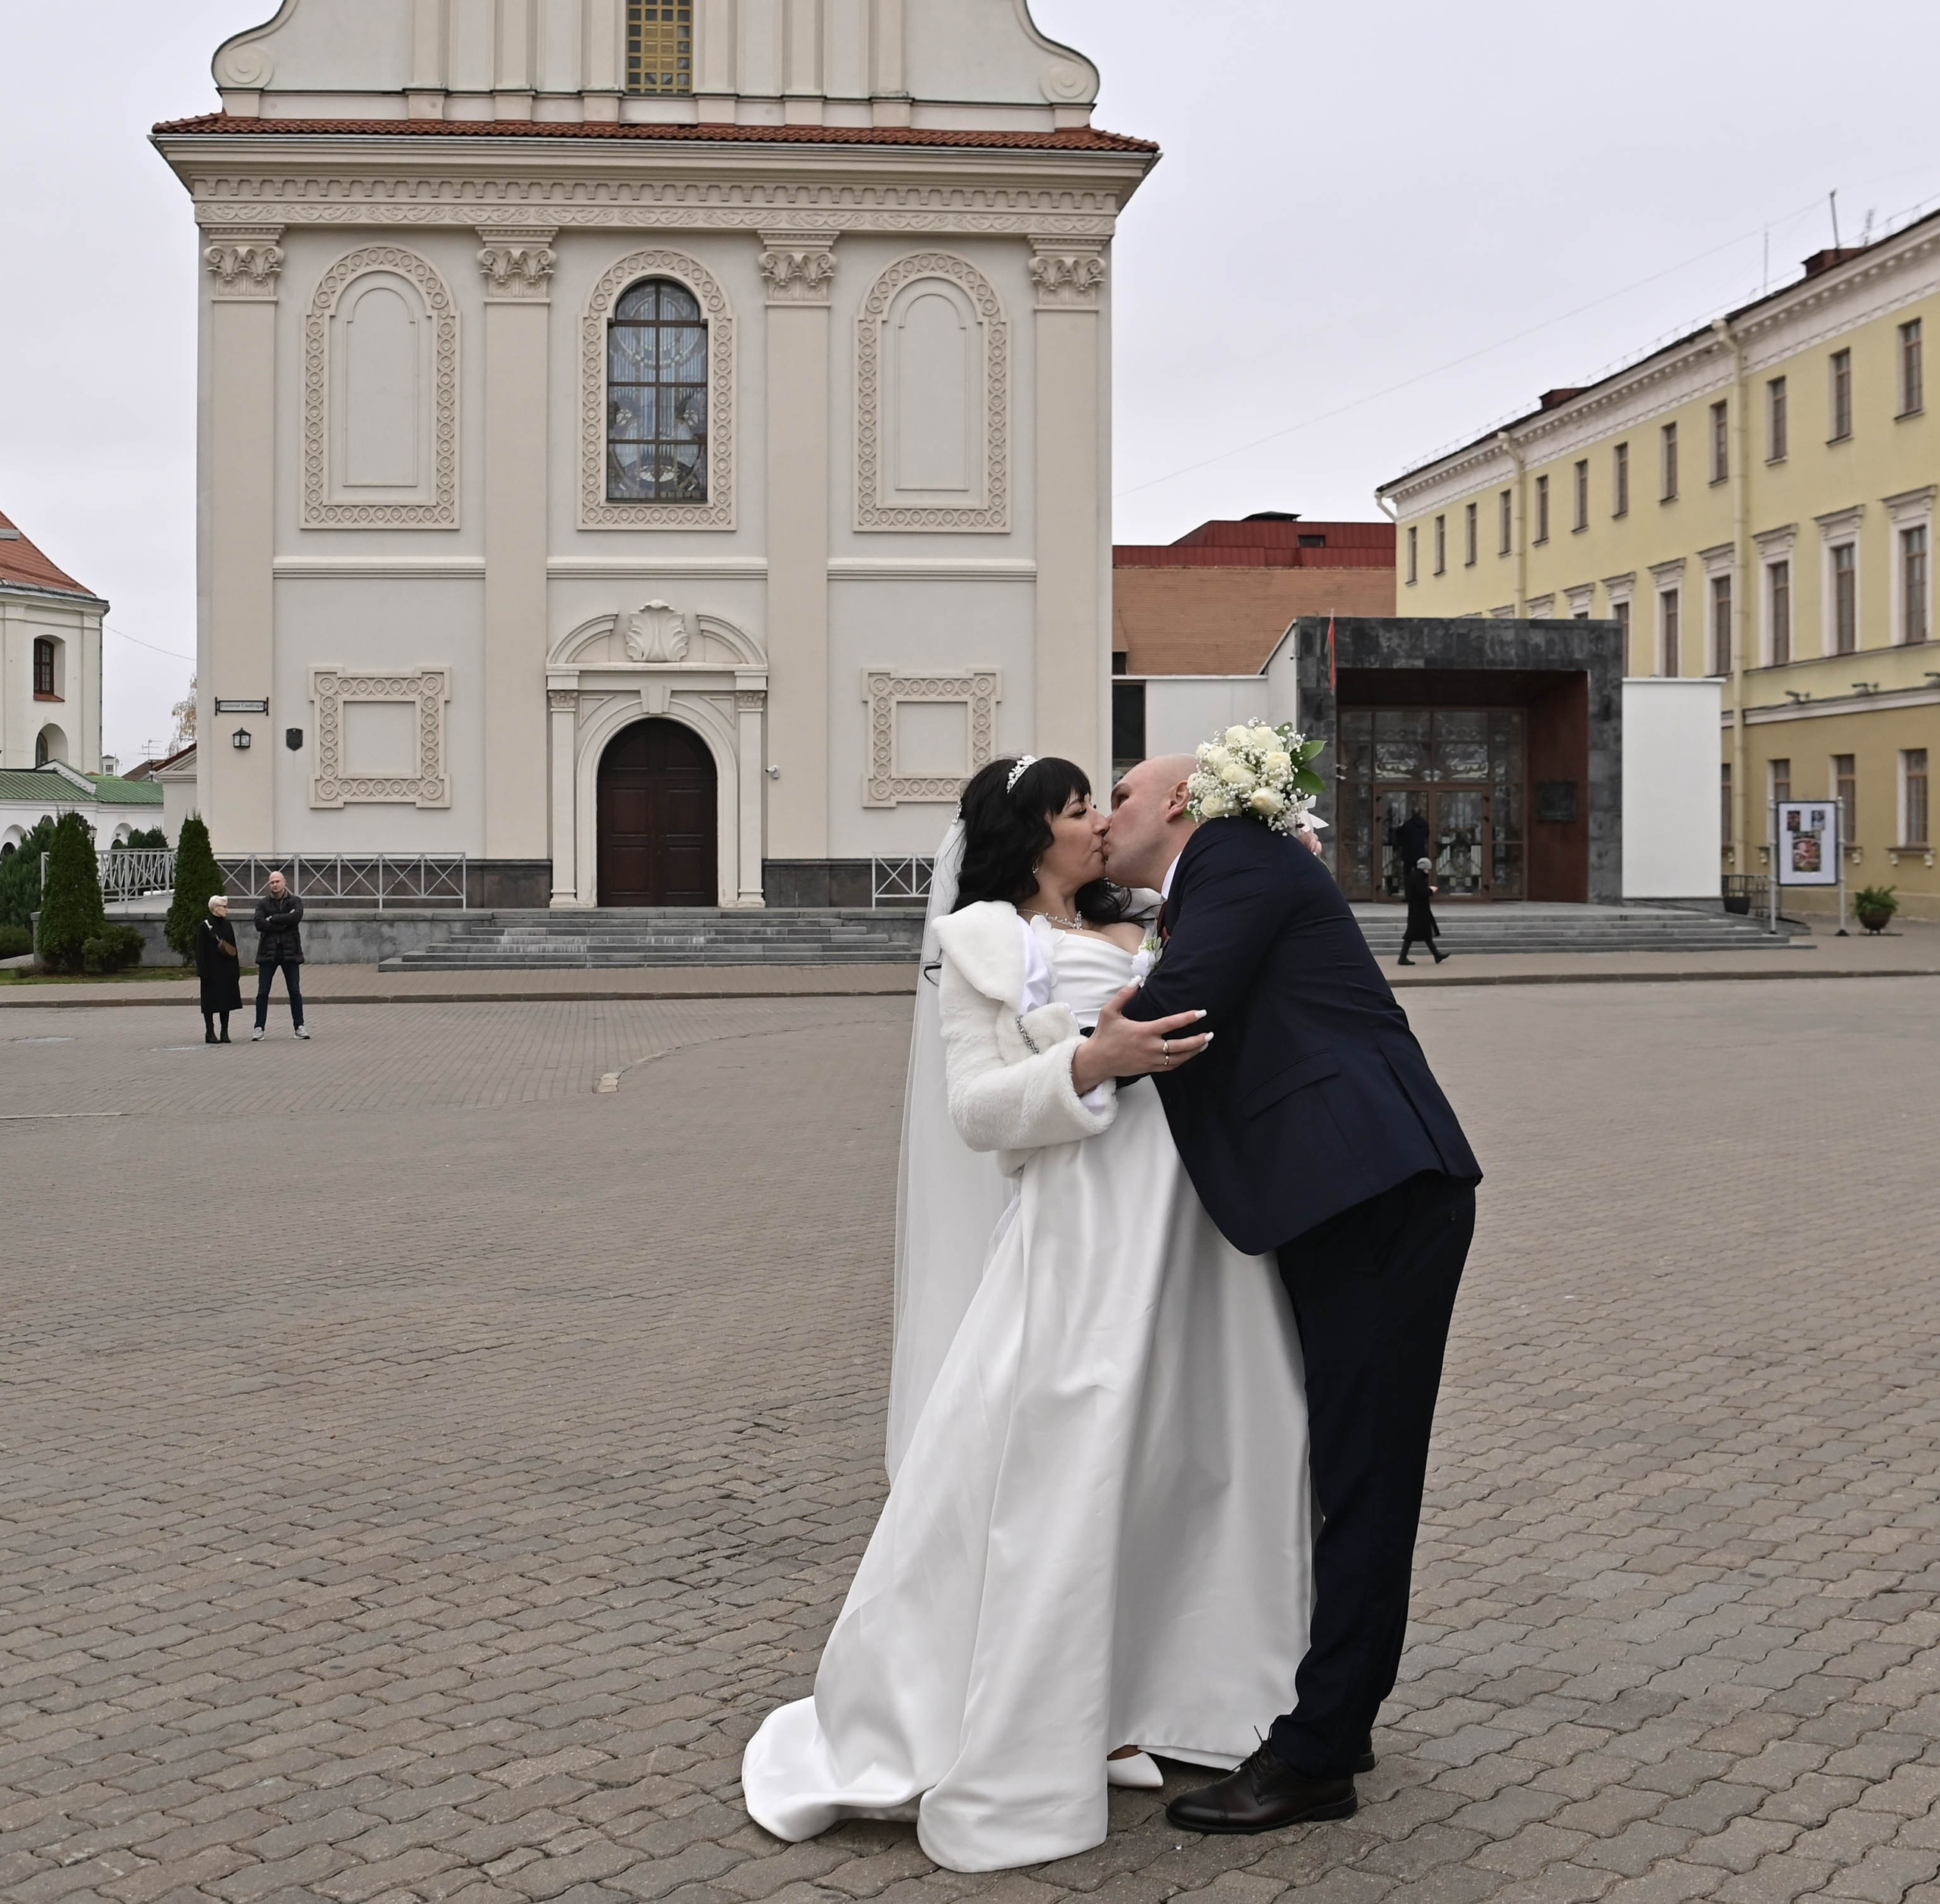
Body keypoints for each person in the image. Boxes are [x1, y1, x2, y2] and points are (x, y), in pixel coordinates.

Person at [742, 756, 1316, 1873]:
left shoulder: (1158, 918)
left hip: (1194, 1231)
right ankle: (1026, 1714)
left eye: (1100, 802)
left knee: (1195, 1455)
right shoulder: (985, 947)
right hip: (1085, 1238)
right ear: (1030, 835)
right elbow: (977, 1110)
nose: (1100, 822)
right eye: (1075, 809)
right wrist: (1091, 1061)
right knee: (1066, 1466)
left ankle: (1168, 1688)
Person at [1107, 755, 1480, 1836]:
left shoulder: (1237, 854)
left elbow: (1177, 1011)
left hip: (1374, 1189)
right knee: (1341, 1467)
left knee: (1364, 1476)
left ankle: (1317, 1755)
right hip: (1349, 1192)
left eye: (1121, 796)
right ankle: (1337, 1709)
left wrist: (1053, 1056)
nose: (1108, 816)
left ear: (1179, 802)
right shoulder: (1235, 867)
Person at [252, 870, 309, 1041]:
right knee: (263, 992)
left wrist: (273, 918)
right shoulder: (263, 903)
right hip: (268, 953)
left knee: (294, 991)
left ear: (284, 882)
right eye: (272, 882)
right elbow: (259, 924)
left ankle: (299, 1026)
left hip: (290, 952)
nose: (275, 885)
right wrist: (284, 923)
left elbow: (296, 917)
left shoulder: (295, 901)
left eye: (278, 881)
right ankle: (259, 1027)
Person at [195, 894, 241, 1043]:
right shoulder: (204, 926)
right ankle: (210, 1031)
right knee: (210, 1002)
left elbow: (233, 948)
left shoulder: (227, 925)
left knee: (226, 1001)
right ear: (215, 908)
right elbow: (200, 952)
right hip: (211, 970)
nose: (226, 909)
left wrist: (236, 970)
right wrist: (203, 972)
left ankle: (224, 1031)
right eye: (223, 906)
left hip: (226, 969)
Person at [1399, 855, 1448, 966]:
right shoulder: (1418, 878)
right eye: (1427, 869)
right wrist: (1430, 890)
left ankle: (1437, 955)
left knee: (1426, 935)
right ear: (1424, 868)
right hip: (1419, 911)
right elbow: (1420, 893)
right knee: (1411, 935)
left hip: (1418, 910)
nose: (1428, 871)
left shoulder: (1414, 876)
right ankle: (1402, 958)